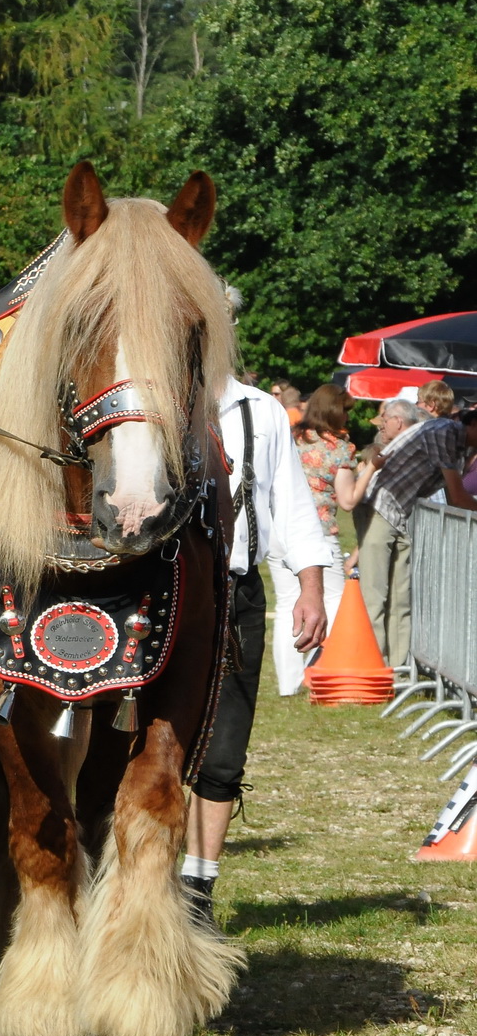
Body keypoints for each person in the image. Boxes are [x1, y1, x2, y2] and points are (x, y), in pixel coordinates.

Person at [183, 376, 332, 923]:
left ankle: (196, 896)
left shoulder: (261, 409)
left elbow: (292, 507)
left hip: (235, 592)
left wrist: (310, 589)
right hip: (158, 594)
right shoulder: (139, 395)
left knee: (223, 754)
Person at [353, 400, 477, 665]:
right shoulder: (444, 431)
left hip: (399, 513)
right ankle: (371, 666)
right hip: (379, 508)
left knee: (400, 598)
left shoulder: (459, 444)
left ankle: (396, 670)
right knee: (374, 595)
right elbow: (457, 496)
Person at [270, 384, 358, 695]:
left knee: (284, 606)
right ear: (336, 410)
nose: (348, 415)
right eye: (346, 409)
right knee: (332, 601)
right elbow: (347, 501)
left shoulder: (293, 437)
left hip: (278, 529)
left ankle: (288, 684)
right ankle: (319, 669)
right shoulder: (340, 448)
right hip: (317, 531)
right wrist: (372, 469)